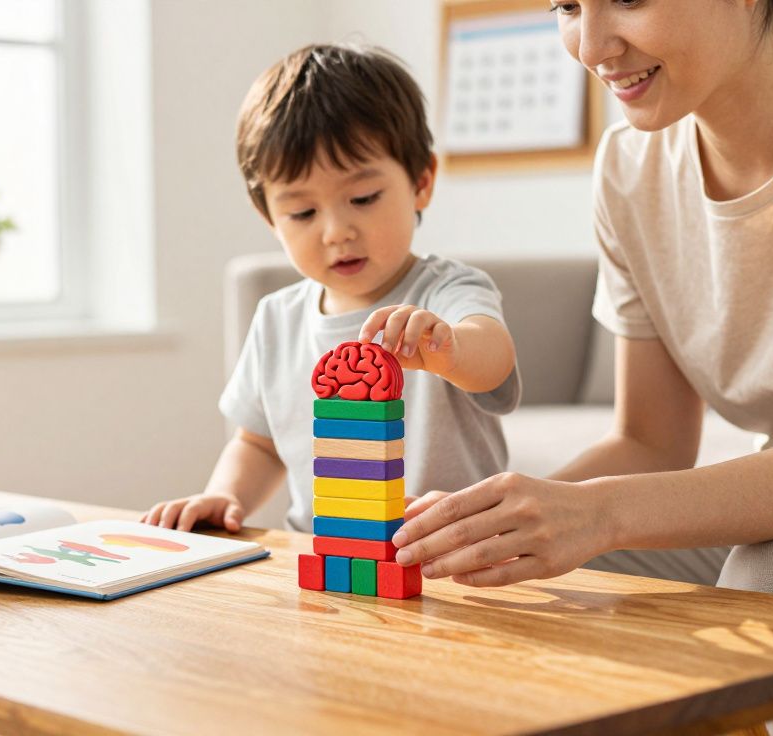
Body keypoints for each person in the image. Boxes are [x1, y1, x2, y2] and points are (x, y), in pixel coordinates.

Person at [392, 1, 773, 732]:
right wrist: (487, 524)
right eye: (567, 6)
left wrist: (599, 512)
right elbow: (651, 442)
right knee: (499, 577)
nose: (591, 46)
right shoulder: (631, 167)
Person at [142, 43, 520, 534]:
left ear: (421, 182)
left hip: (453, 550)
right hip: (326, 550)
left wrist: (449, 349)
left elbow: (493, 362)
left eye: (363, 198)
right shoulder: (276, 319)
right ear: (269, 217)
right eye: (302, 212)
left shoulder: (447, 290)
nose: (337, 232)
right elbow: (258, 442)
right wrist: (225, 495)